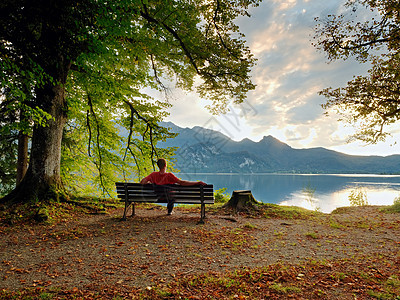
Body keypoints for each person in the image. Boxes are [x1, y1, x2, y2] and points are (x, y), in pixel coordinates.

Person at [140, 158, 206, 215]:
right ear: (165, 165)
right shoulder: (169, 175)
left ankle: (169, 209)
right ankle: (169, 211)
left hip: (159, 197)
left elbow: (142, 182)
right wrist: (197, 182)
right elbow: (182, 183)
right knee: (170, 192)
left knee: (166, 191)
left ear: (158, 166)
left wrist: (149, 182)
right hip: (169, 198)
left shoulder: (153, 175)